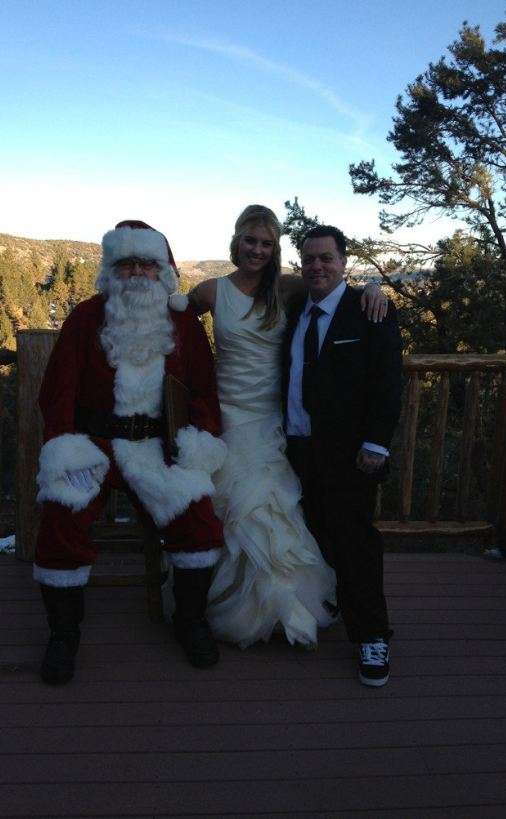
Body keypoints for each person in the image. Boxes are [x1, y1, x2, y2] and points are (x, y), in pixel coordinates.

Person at [33, 220, 228, 683]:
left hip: (158, 447)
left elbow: (204, 392)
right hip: (93, 445)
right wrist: (64, 445)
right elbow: (57, 391)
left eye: (146, 264)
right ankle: (63, 634)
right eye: (126, 264)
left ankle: (191, 621)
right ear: (110, 270)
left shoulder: (183, 324)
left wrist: (196, 442)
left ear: (163, 271)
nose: (137, 274)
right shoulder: (85, 318)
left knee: (198, 516)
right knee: (61, 514)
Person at [186, 205, 388, 649]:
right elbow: (174, 323)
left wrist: (374, 286)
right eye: (250, 241)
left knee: (277, 512)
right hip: (230, 417)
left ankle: (285, 611)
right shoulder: (210, 292)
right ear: (235, 241)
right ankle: (230, 605)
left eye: (266, 244)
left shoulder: (286, 287)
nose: (257, 250)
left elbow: (336, 288)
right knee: (239, 510)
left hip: (274, 421)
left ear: (275, 250)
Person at [283, 224, 402, 686]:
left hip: (349, 452)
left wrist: (376, 443)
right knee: (314, 533)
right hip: (296, 446)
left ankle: (373, 634)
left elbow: (387, 381)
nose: (317, 266)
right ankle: (328, 604)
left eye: (326, 258)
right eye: (309, 258)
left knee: (356, 542)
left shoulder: (368, 310)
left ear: (344, 263)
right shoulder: (295, 309)